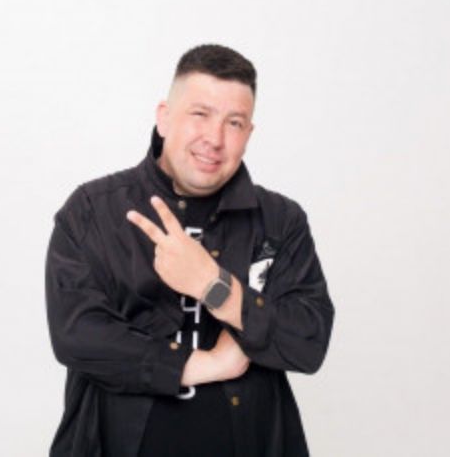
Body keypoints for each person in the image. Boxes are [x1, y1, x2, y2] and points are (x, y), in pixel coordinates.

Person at [45, 44, 335, 457]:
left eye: (234, 123)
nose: (214, 139)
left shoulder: (281, 221)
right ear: (164, 117)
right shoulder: (92, 210)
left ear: (249, 134)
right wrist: (206, 365)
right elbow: (78, 336)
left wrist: (213, 286)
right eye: (200, 114)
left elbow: (308, 342)